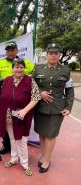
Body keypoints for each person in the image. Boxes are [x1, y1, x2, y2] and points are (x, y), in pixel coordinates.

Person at [33, 43, 74, 173]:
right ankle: (44, 155)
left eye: (56, 53)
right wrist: (40, 93)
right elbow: (31, 85)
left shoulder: (65, 70)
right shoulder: (38, 69)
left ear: (59, 55)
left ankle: (47, 160)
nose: (53, 55)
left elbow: (69, 90)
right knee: (42, 133)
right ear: (47, 54)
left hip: (57, 108)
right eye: (51, 53)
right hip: (40, 107)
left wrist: (69, 107)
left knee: (51, 135)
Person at [0, 58, 41, 176]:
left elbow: (36, 98)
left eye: (21, 67)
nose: (19, 69)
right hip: (8, 116)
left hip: (21, 116)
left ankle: (25, 163)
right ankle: (14, 159)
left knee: (22, 140)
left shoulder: (30, 81)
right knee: (12, 138)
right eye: (16, 67)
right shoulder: (7, 80)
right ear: (12, 68)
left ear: (24, 68)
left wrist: (24, 111)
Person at [0, 41, 35, 154]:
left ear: (17, 50)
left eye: (13, 50)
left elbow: (34, 72)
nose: (10, 52)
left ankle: (19, 148)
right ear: (6, 51)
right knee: (7, 121)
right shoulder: (0, 62)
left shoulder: (25, 62)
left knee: (18, 122)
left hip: (20, 98)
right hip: (5, 95)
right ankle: (7, 145)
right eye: (8, 50)